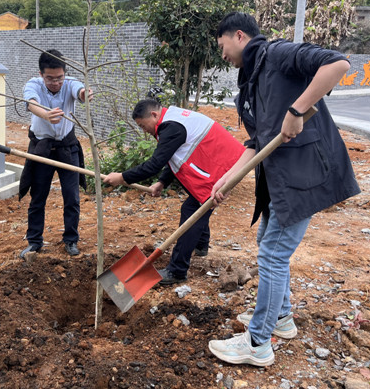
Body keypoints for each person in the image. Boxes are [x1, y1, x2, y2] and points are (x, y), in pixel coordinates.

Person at [208, 12, 360, 366]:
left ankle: (258, 344)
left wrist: (297, 109)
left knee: (273, 254)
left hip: (302, 175)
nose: (222, 55)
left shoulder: (278, 55)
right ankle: (281, 318)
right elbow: (256, 144)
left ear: (240, 36)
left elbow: (337, 65)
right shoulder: (249, 85)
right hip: (278, 179)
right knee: (268, 243)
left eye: (222, 45)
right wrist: (227, 179)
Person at [103, 99, 245, 285]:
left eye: (142, 125)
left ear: (153, 115)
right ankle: (201, 245)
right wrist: (162, 181)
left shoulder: (171, 127)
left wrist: (122, 177)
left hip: (224, 167)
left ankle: (177, 270)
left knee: (193, 211)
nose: (143, 130)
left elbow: (154, 165)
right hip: (223, 163)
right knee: (197, 201)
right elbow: (176, 154)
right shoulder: (173, 120)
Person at [19, 49, 92, 258]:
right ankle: (34, 241)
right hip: (42, 148)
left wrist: (85, 94)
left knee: (72, 197)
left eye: (59, 78)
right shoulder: (33, 84)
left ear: (64, 73)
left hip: (67, 148)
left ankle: (71, 240)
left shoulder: (70, 83)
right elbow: (31, 103)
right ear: (41, 74)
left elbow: (80, 91)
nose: (55, 83)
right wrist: (46, 114)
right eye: (50, 78)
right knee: (38, 196)